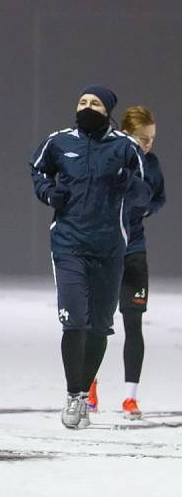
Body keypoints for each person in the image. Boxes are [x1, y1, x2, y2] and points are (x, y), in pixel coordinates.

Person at [30, 85, 148, 430]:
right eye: (82, 101)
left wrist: (126, 181)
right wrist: (49, 193)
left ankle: (83, 394)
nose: (86, 107)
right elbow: (37, 170)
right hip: (68, 246)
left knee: (99, 327)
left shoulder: (125, 147)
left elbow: (146, 192)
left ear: (108, 109)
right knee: (75, 320)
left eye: (94, 103)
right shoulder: (59, 142)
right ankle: (72, 394)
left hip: (110, 249)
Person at [87, 106, 165, 419]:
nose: (148, 144)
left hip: (134, 252)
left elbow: (159, 198)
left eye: (152, 139)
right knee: (96, 324)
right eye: (143, 138)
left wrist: (144, 209)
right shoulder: (111, 158)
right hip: (105, 251)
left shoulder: (152, 163)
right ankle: (88, 389)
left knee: (133, 323)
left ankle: (130, 397)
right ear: (126, 135)